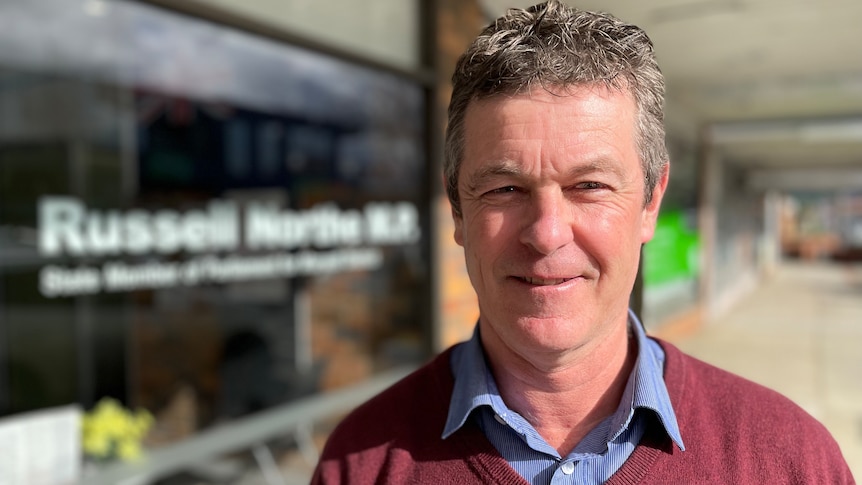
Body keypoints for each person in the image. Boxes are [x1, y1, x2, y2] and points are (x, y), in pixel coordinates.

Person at [312, 1, 855, 483]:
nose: (547, 233)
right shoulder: (360, 464)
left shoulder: (790, 461)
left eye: (589, 186)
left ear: (650, 202)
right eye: (505, 188)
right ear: (456, 207)